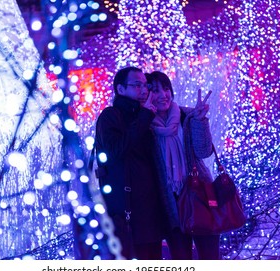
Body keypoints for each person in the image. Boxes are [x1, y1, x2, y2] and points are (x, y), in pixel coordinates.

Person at [94, 66, 168, 260]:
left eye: (145, 85)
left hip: (151, 212)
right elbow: (113, 151)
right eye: (137, 85)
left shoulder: (145, 116)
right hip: (127, 213)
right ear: (120, 89)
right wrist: (144, 116)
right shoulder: (110, 116)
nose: (144, 90)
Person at [146, 70, 220, 260]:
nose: (163, 95)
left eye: (166, 88)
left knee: (210, 258)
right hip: (168, 202)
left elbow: (204, 151)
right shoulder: (145, 127)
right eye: (155, 90)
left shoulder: (187, 116)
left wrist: (200, 120)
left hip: (199, 196)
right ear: (146, 94)